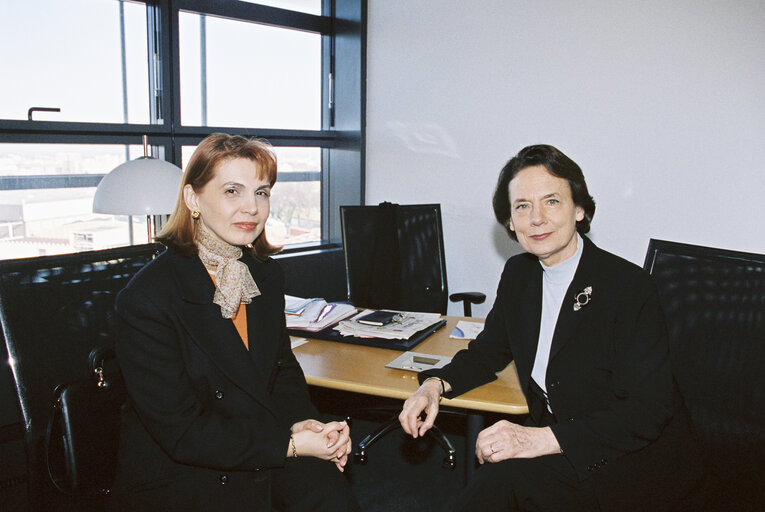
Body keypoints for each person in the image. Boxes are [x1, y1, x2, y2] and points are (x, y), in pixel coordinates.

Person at [399, 145, 700, 511]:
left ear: (580, 209)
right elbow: (489, 350)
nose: (536, 218)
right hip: (558, 445)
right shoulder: (519, 275)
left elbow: (647, 411)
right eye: (522, 206)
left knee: (498, 486)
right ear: (510, 221)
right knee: (488, 489)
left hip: (628, 456)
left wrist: (536, 440)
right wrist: (434, 386)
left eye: (552, 201)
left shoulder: (627, 286)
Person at [110, 133, 360, 511]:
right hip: (185, 468)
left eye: (262, 192)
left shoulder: (263, 274)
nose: (252, 208)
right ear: (193, 199)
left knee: (332, 497)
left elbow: (280, 372)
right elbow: (182, 431)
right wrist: (288, 445)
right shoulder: (147, 299)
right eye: (232, 191)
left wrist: (303, 423)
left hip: (256, 441)